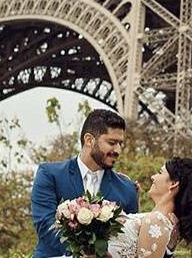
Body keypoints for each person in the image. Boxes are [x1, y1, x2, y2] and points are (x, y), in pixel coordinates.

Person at [31, 109, 139, 258]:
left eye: (120, 143)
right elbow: (45, 225)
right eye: (112, 143)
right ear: (89, 140)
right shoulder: (49, 174)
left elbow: (131, 241)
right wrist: (85, 253)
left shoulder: (127, 189)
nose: (118, 150)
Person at [108, 157, 192, 258]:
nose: (153, 177)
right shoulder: (160, 221)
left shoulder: (156, 221)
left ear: (173, 184)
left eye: (160, 172)